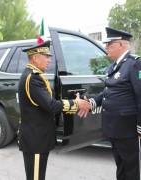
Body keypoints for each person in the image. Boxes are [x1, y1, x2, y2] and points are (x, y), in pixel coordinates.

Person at [86, 27, 141, 180]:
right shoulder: (115, 66)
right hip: (115, 130)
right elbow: (110, 91)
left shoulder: (136, 64)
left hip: (130, 131)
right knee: (121, 169)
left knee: (132, 172)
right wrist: (92, 102)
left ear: (121, 45)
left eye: (109, 44)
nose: (106, 48)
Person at [17, 40, 90, 180]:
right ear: (35, 58)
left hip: (37, 138)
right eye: (46, 56)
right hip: (36, 141)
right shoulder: (32, 78)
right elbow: (51, 106)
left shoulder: (33, 76)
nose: (49, 60)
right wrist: (76, 103)